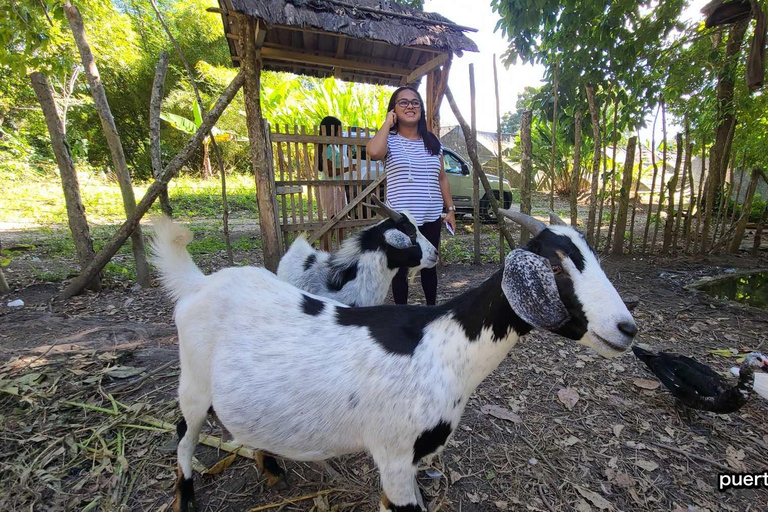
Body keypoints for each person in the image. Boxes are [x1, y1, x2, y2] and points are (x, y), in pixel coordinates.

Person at [366, 86, 456, 306]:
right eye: (403, 102)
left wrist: (451, 209)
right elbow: (373, 152)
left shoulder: (433, 142)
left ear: (421, 109)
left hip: (430, 216)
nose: (410, 106)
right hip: (402, 220)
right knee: (400, 270)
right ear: (394, 109)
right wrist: (388, 123)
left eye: (415, 102)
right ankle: (401, 314)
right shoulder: (389, 140)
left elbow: (442, 177)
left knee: (429, 265)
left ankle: (431, 311)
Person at [316, 116, 348, 249]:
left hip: (337, 186)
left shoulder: (333, 147)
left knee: (341, 219)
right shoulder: (328, 147)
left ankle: (340, 250)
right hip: (330, 187)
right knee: (332, 220)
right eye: (339, 128)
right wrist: (348, 168)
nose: (341, 131)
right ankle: (326, 250)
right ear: (333, 130)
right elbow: (329, 171)